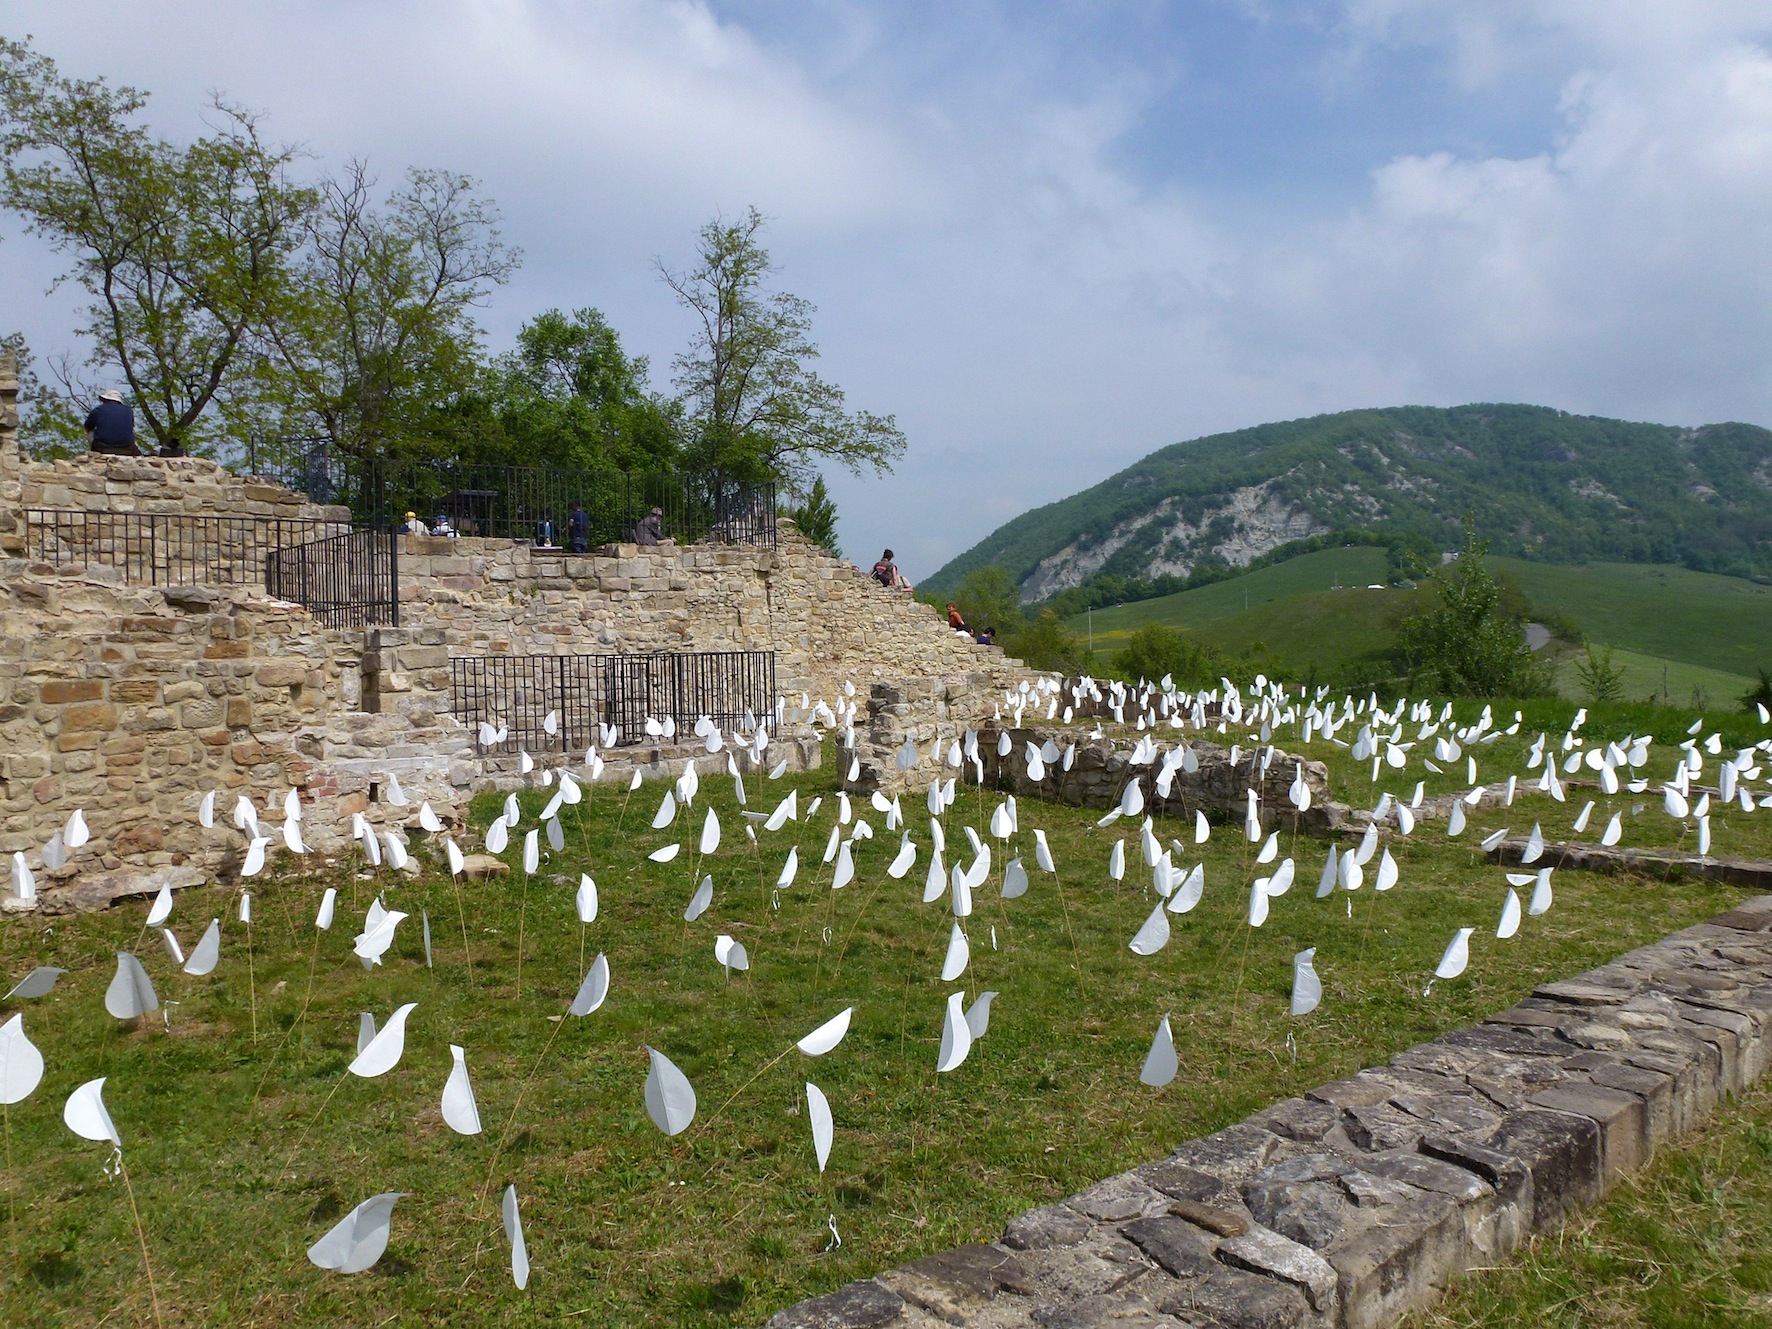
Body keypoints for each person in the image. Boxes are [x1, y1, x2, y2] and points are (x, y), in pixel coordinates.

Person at [83, 389, 138, 456]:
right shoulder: (128, 410)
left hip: (103, 446)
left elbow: (88, 426)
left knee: (90, 430)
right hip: (127, 446)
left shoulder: (98, 410)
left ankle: (94, 453)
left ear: (106, 400)